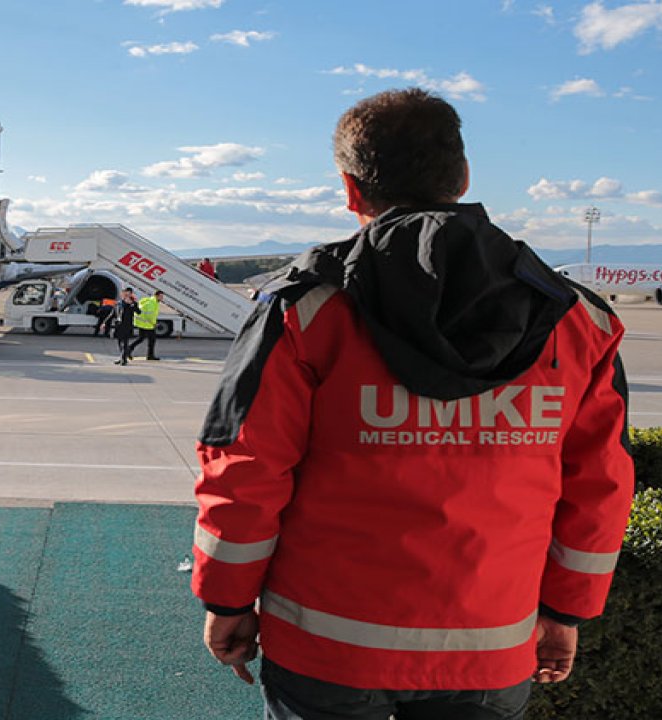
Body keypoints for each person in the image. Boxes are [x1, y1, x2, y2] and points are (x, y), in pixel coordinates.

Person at [192, 88, 634, 720]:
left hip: (327, 651)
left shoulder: (307, 310)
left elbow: (245, 467)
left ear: (351, 190)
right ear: (463, 177)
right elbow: (601, 484)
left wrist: (228, 600)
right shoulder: (577, 319)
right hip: (492, 646)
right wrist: (567, 610)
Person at [125, 290, 163, 361]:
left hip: (142, 323)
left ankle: (129, 349)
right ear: (156, 296)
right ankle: (150, 356)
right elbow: (150, 315)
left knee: (141, 338)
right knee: (151, 340)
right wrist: (154, 323)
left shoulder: (150, 300)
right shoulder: (152, 303)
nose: (162, 298)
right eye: (161, 296)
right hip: (147, 324)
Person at [111, 288, 138, 365]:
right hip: (119, 325)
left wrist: (132, 304)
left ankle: (123, 359)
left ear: (131, 294)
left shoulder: (133, 303)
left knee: (125, 343)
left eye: (129, 293)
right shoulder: (119, 303)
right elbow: (112, 314)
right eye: (125, 293)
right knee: (119, 343)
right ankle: (122, 358)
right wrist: (104, 323)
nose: (126, 295)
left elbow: (138, 312)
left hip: (127, 326)